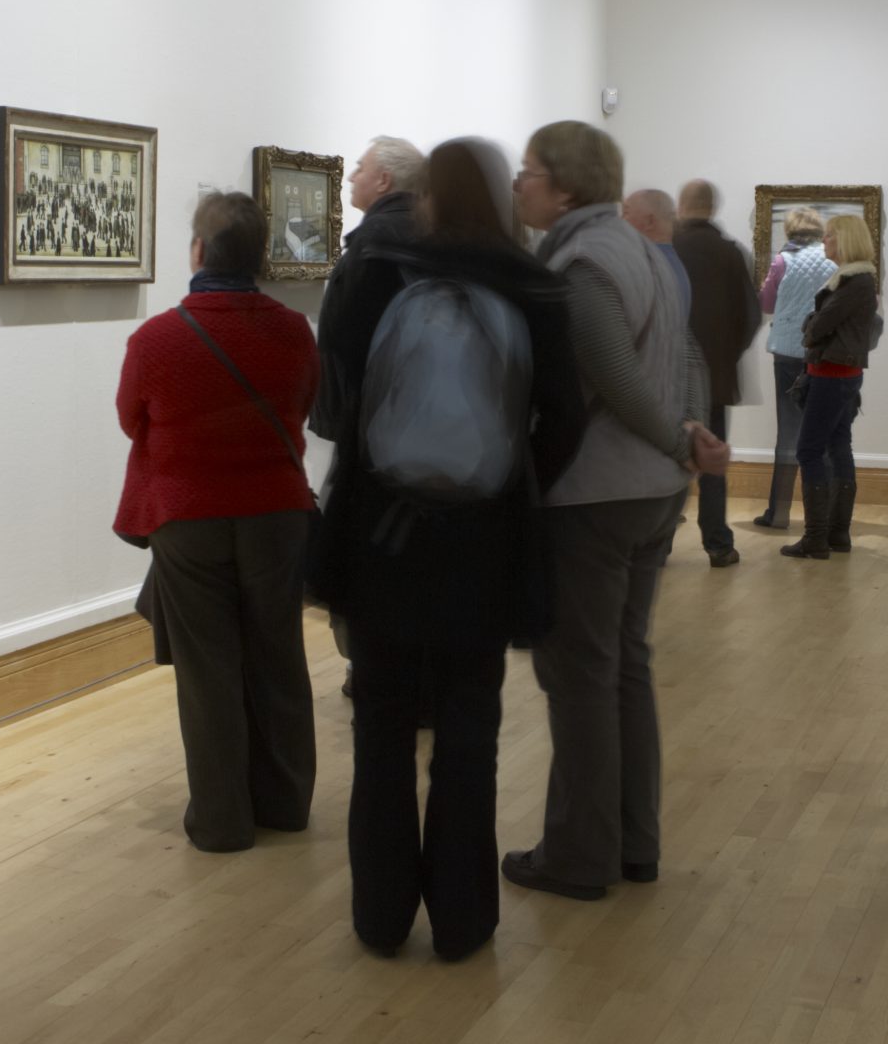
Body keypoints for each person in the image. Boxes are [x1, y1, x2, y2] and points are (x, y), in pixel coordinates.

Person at [311, 139, 586, 959]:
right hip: (484, 537)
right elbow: (566, 416)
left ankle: (380, 915)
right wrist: (510, 479)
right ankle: (464, 920)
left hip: (381, 534)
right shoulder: (534, 284)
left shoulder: (375, 268)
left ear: (425, 196)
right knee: (471, 729)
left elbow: (334, 399)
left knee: (383, 727)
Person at [504, 121, 727, 901]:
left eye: (527, 171)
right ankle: (634, 842)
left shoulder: (583, 260)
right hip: (652, 489)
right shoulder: (643, 248)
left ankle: (578, 854)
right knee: (624, 665)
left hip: (598, 492)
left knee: (583, 677)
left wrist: (677, 434)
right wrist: (689, 436)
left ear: (564, 186)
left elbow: (614, 375)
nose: (517, 184)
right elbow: (688, 357)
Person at [114, 192, 320, 853]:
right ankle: (285, 803)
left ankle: (222, 819)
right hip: (277, 513)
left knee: (207, 672)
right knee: (278, 658)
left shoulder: (155, 339)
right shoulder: (292, 331)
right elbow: (304, 402)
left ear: (198, 252)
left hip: (188, 517)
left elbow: (130, 418)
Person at [313, 136, 428, 691]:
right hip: (424, 425)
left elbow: (341, 333)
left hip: (373, 422)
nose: (351, 176)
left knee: (371, 554)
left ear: (384, 181)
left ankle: (378, 672)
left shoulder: (375, 243)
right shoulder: (433, 237)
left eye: (359, 168)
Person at [671, 181, 761, 569]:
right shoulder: (731, 254)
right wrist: (724, 356)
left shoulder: (664, 248)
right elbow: (751, 316)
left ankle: (656, 545)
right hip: (715, 379)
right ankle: (718, 544)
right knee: (712, 459)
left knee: (667, 457)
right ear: (712, 207)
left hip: (666, 376)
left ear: (682, 205)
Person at [782, 214, 881, 561]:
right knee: (839, 446)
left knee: (809, 451)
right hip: (842, 374)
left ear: (846, 240)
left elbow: (817, 327)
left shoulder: (855, 282)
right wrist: (814, 325)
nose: (824, 241)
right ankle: (837, 533)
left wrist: (810, 325)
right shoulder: (857, 280)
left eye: (830, 236)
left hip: (830, 375)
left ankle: (816, 538)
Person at [752, 209, 835, 529]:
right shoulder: (832, 261)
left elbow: (766, 304)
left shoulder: (782, 261)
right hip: (822, 352)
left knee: (788, 433)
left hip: (788, 351)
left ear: (790, 231)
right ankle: (823, 514)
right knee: (825, 432)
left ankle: (778, 512)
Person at [621, 187, 693, 313]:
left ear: (649, 222)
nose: (620, 220)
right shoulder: (674, 266)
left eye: (626, 212)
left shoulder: (645, 269)